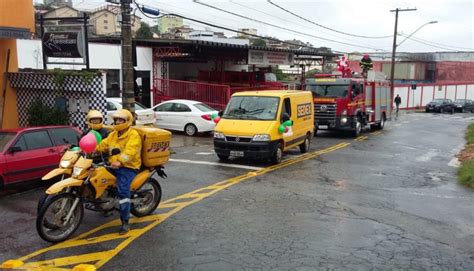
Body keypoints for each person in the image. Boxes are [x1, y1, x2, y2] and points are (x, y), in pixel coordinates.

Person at [96, 109, 142, 235]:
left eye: (120, 120)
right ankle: (105, 203)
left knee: (123, 192)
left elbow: (130, 152)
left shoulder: (133, 135)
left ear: (127, 121)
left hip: (128, 167)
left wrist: (120, 161)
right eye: (116, 120)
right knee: (97, 178)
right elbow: (102, 145)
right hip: (113, 165)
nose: (117, 122)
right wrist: (89, 149)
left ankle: (125, 221)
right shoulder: (113, 134)